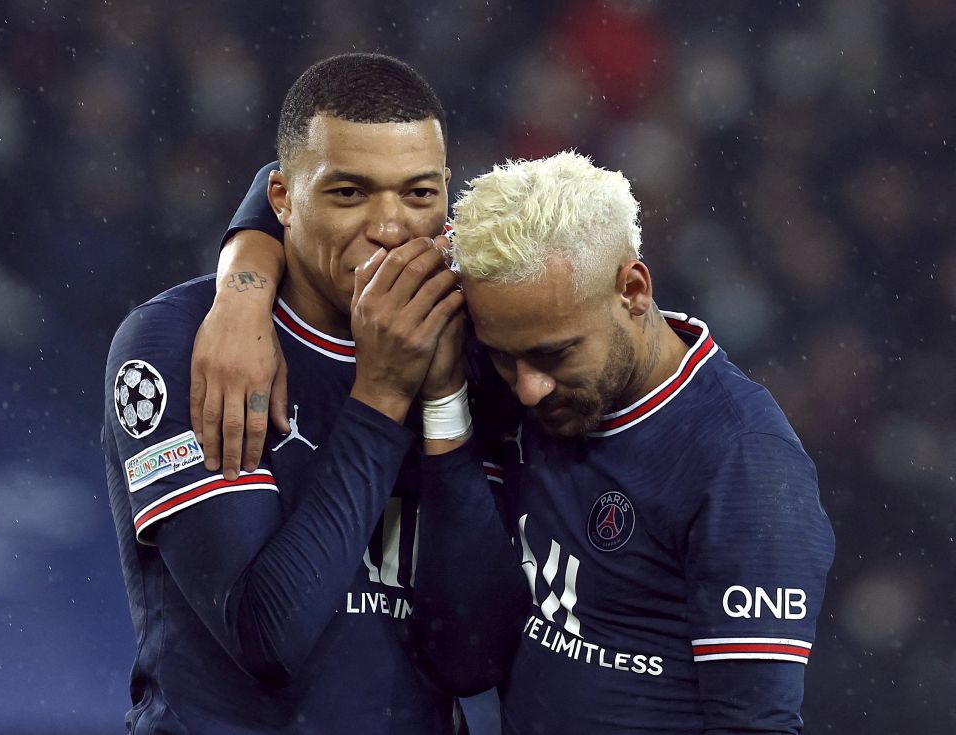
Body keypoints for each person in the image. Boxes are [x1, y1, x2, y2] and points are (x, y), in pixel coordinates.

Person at [196, 151, 835, 733]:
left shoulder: (744, 464)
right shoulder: (521, 317)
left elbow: (757, 724)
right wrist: (239, 295)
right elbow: (302, 176)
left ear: (633, 291)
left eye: (554, 355)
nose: (528, 389)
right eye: (503, 358)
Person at [102, 53, 524, 735]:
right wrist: (383, 395)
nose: (389, 227)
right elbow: (266, 637)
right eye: (348, 193)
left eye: (418, 195)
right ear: (281, 200)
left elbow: (471, 661)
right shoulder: (183, 344)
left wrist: (443, 398)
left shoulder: (482, 344)